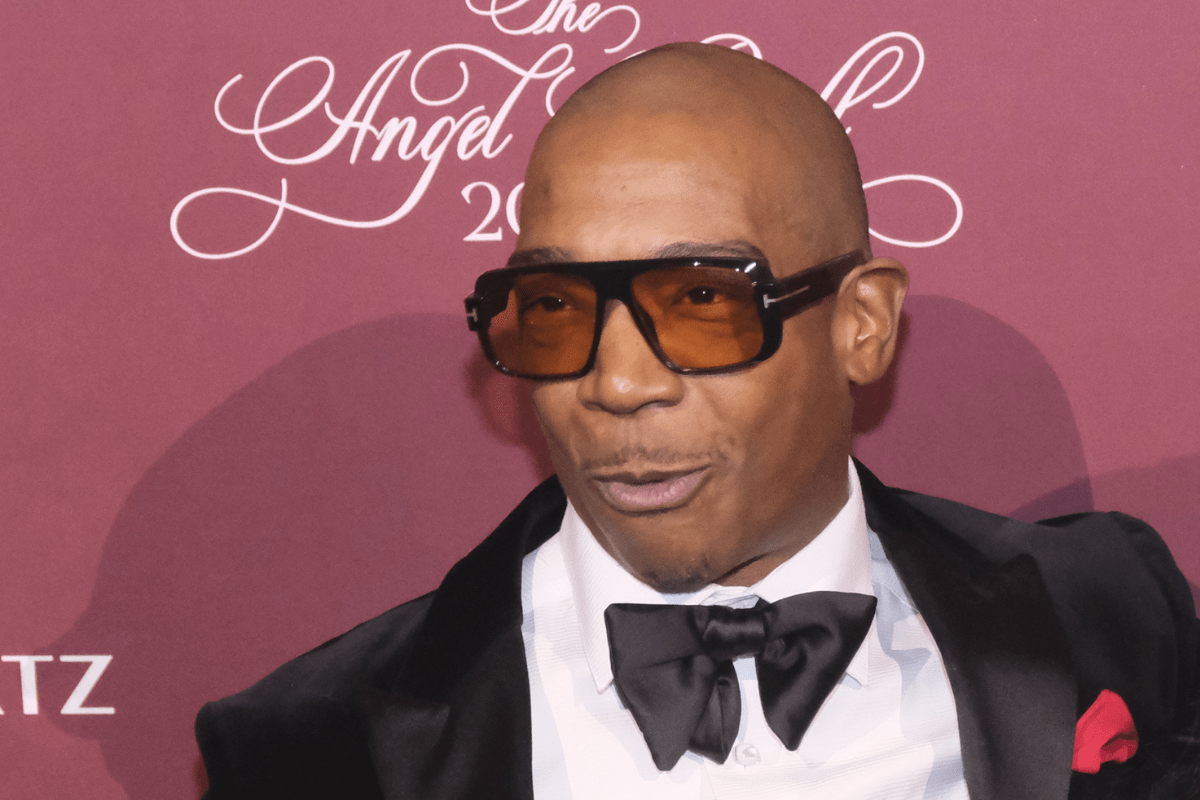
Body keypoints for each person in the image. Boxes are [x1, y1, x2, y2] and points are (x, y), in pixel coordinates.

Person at [194, 43, 1200, 799]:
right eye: (556, 308)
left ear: (862, 325)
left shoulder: (1111, 613)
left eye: (703, 301)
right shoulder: (309, 749)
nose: (618, 384)